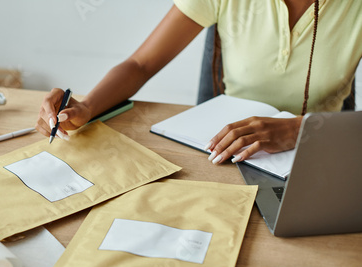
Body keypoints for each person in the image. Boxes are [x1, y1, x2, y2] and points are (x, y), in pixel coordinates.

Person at [36, 0, 361, 164]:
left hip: (324, 154)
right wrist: (87, 106)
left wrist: (300, 129)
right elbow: (141, 63)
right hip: (231, 152)